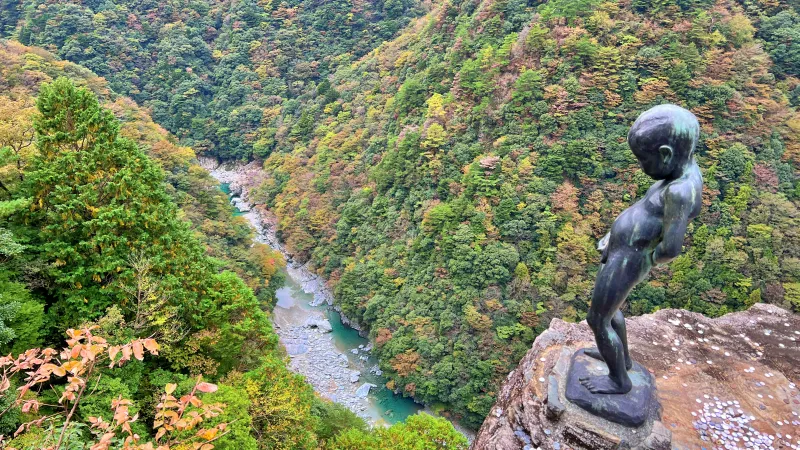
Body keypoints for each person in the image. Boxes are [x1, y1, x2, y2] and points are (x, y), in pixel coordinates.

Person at [580, 104, 703, 394]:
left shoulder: (680, 191)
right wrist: (615, 236)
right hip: (624, 252)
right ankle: (624, 360)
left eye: (643, 160)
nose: (640, 167)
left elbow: (671, 248)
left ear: (665, 154)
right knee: (611, 312)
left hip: (630, 258)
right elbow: (643, 213)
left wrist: (639, 257)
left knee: (597, 320)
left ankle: (618, 381)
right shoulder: (678, 173)